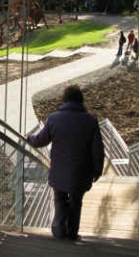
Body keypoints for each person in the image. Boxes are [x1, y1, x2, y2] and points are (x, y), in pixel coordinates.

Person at [27, 85, 105, 241]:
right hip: (81, 173)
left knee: (59, 201)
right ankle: (72, 234)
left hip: (59, 173)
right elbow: (98, 150)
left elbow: (40, 141)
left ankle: (58, 231)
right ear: (80, 100)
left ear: (64, 100)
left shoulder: (54, 119)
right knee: (76, 203)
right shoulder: (91, 121)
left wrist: (29, 138)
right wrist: (97, 171)